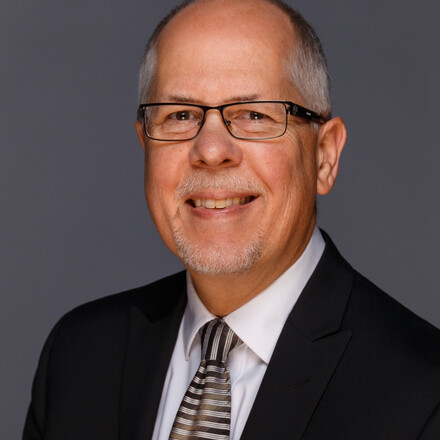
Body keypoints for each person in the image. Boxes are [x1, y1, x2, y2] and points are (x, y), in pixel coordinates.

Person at [23, 0, 440, 439]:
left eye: (254, 115)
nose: (211, 150)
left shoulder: (423, 395)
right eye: (180, 116)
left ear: (325, 156)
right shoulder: (79, 356)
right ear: (145, 146)